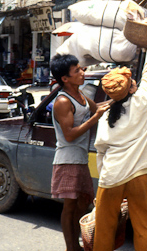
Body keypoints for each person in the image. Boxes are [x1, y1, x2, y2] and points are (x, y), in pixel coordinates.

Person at [93, 20, 147, 251]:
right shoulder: (143, 102)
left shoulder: (106, 116)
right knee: (144, 228)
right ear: (132, 87)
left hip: (110, 177)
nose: (136, 81)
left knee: (104, 229)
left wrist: (103, 183)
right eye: (133, 80)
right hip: (139, 177)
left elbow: (100, 153)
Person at [50, 54, 111, 251]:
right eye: (77, 71)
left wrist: (121, 98)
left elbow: (98, 108)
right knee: (69, 207)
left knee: (83, 203)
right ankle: (71, 247)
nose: (82, 72)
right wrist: (95, 118)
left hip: (80, 159)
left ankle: (75, 243)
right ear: (65, 79)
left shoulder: (82, 96)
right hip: (67, 159)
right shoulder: (63, 101)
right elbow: (69, 135)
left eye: (80, 68)